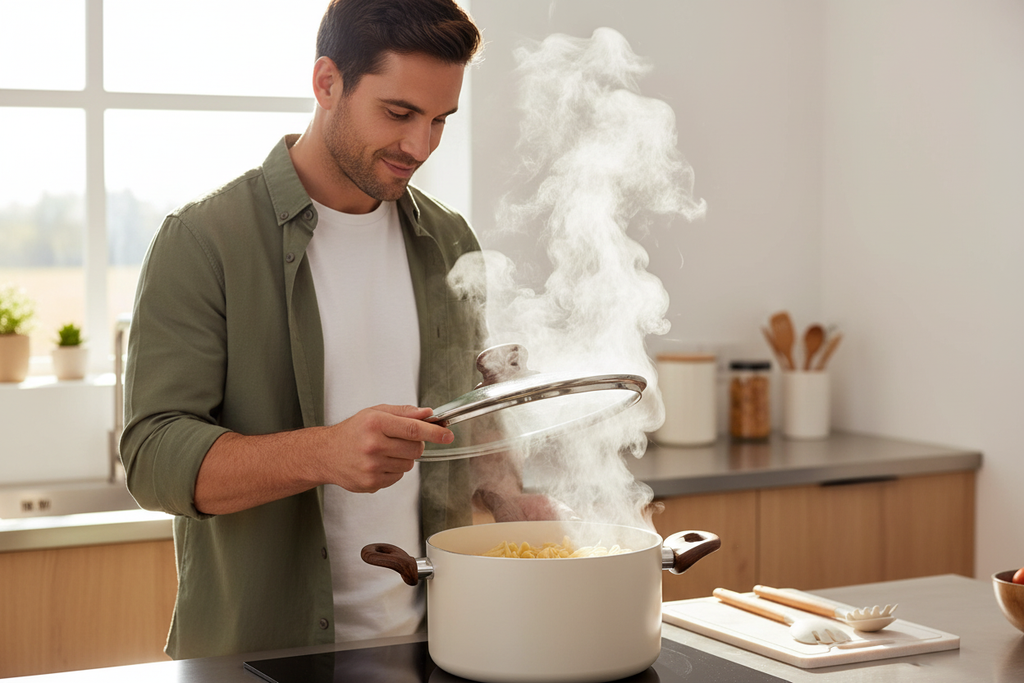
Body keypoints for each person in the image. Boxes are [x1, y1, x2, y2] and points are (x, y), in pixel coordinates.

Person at [120, 0, 532, 660]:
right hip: (264, 661)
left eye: (439, 121)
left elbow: (472, 423)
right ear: (326, 82)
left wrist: (526, 512)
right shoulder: (204, 241)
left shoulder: (450, 240)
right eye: (398, 114)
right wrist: (327, 452)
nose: (419, 147)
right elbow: (152, 457)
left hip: (440, 651)